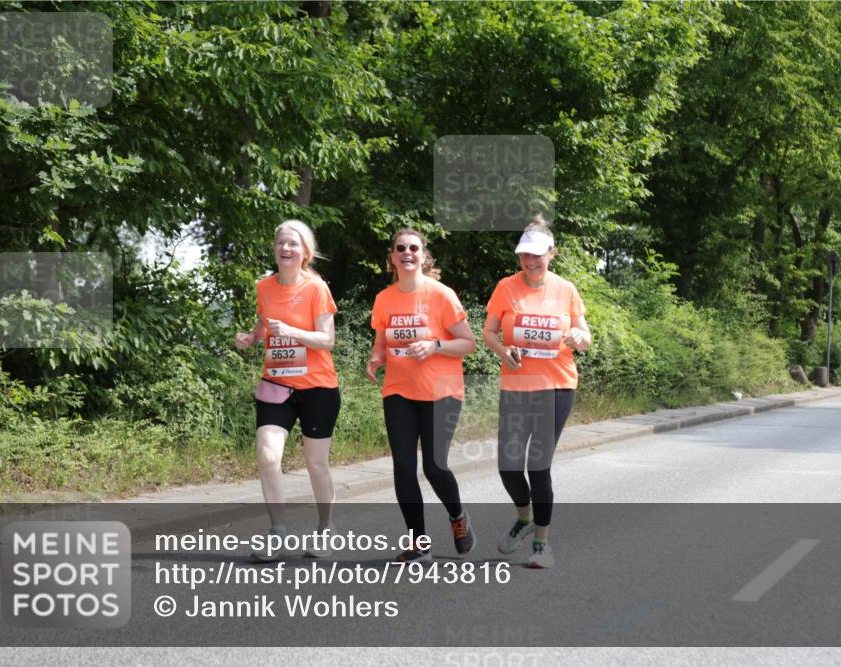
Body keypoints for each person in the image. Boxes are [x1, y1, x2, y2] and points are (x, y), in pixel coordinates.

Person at [482, 215, 591, 569]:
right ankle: (524, 518)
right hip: (516, 386)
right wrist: (504, 352)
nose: (529, 261)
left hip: (556, 386)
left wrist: (578, 337)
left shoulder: (566, 289)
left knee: (538, 465)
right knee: (508, 466)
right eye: (524, 254)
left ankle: (542, 545)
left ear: (552, 253)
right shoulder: (506, 287)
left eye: (537, 255)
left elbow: (585, 337)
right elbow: (488, 332)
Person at [366, 228, 477, 563]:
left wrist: (435, 345)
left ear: (424, 256)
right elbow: (382, 342)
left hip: (441, 391)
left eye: (414, 248)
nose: (407, 252)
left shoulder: (441, 295)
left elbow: (468, 343)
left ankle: (457, 517)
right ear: (392, 257)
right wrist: (376, 358)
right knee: (403, 466)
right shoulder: (384, 299)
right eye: (400, 248)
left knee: (434, 466)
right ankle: (418, 543)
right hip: (399, 390)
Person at [234, 220, 341, 561]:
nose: (286, 248)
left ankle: (325, 529)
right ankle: (277, 532)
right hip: (277, 385)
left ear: (305, 252)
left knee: (316, 464)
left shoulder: (316, 288)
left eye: (293, 243)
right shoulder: (264, 287)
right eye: (281, 242)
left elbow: (327, 340)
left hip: (317, 387)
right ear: (275, 249)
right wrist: (252, 337)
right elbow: (265, 323)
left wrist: (292, 332)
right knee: (267, 456)